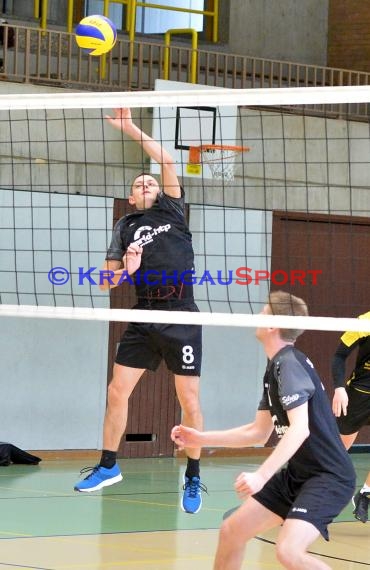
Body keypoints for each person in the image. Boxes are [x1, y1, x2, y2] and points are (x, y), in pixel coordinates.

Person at [74, 108, 206, 514]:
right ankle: (109, 465)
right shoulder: (125, 227)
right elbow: (104, 282)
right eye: (139, 183)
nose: (147, 182)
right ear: (131, 198)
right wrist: (126, 270)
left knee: (189, 399)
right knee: (116, 391)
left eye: (150, 180)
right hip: (144, 312)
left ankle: (194, 475)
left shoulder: (172, 210)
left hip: (181, 313)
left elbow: (166, 160)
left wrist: (129, 127)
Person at [171, 291, 356, 570]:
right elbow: (257, 433)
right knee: (232, 531)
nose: (257, 316)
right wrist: (200, 437)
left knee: (289, 552)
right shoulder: (276, 368)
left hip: (328, 478)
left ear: (272, 325)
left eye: (264, 311)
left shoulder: (288, 365)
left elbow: (300, 429)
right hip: (299, 475)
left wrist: (261, 475)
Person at [331, 310, 370, 523]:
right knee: (337, 452)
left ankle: (365, 494)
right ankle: (299, 494)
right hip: (360, 395)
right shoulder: (364, 322)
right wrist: (339, 388)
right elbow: (339, 355)